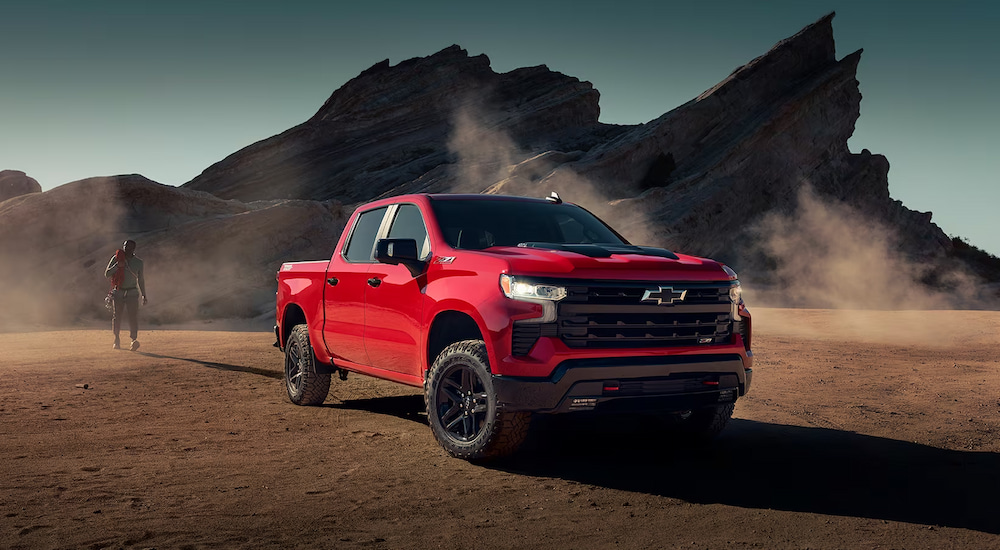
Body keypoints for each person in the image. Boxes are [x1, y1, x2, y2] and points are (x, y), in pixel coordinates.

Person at [104, 239, 147, 350]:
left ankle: (133, 340)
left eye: (129, 247)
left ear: (133, 249)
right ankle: (116, 339)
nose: (126, 249)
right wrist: (117, 266)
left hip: (132, 292)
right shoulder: (116, 258)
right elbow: (107, 273)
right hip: (118, 291)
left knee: (133, 316)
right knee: (117, 316)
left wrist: (144, 295)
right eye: (125, 246)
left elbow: (141, 280)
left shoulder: (138, 262)